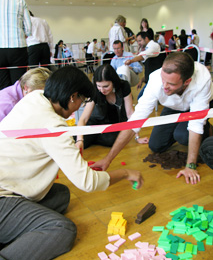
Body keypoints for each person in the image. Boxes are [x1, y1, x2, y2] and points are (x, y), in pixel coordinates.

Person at [0, 66, 143, 260]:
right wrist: (126, 174)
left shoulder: (35, 98)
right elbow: (88, 183)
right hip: (4, 196)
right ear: (73, 97)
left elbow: (38, 145)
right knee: (63, 229)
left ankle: (15, 230)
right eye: (82, 102)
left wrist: (68, 153)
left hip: (10, 181)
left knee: (61, 195)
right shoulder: (53, 126)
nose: (79, 108)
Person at [92, 52, 213, 185]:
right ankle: (180, 127)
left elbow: (195, 124)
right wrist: (108, 159)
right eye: (163, 80)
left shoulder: (202, 80)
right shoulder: (156, 80)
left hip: (195, 108)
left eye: (171, 83)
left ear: (187, 81)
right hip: (172, 107)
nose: (165, 86)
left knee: (183, 135)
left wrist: (190, 166)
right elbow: (134, 122)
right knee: (156, 145)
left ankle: (206, 130)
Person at [76, 64, 148, 150]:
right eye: (99, 86)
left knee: (113, 140)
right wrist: (79, 140)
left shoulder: (124, 86)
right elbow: (83, 118)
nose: (102, 90)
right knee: (80, 140)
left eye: (106, 86)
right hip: (97, 121)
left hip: (115, 123)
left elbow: (130, 114)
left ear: (113, 82)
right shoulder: (95, 90)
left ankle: (93, 136)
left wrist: (137, 137)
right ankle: (92, 136)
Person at [0, 0, 32, 90]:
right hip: (17, 48)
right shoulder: (20, 0)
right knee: (18, 85)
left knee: (2, 86)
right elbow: (28, 28)